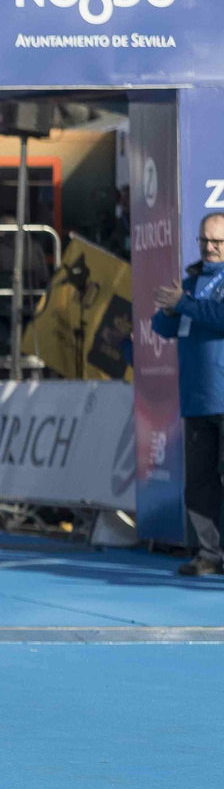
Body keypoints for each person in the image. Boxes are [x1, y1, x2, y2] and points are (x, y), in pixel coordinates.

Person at [153, 212, 224, 576]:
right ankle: (210, 554)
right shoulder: (192, 284)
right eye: (204, 241)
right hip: (197, 397)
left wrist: (183, 303)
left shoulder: (196, 292)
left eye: (217, 242)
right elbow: (164, 326)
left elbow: (220, 314)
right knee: (199, 482)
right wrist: (168, 309)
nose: (209, 248)